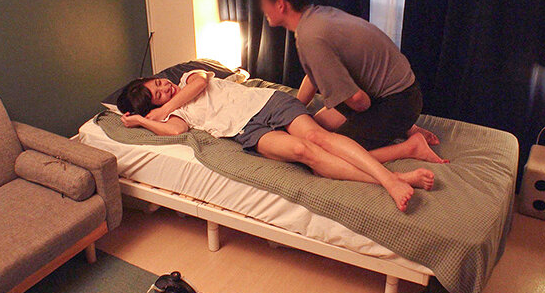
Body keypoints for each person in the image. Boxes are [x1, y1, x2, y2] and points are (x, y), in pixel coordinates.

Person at [116, 70, 447, 212]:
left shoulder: (188, 78)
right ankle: (402, 164)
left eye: (159, 83)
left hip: (268, 103)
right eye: (159, 95)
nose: (165, 89)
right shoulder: (175, 117)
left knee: (317, 137)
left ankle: (391, 179)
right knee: (306, 154)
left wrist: (164, 108)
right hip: (248, 132)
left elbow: (200, 84)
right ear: (153, 107)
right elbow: (175, 132)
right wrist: (144, 121)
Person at [254, 0, 441, 152]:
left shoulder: (310, 36)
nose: (262, 9)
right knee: (318, 122)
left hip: (398, 102)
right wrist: (293, 109)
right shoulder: (317, 16)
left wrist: (360, 109)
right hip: (400, 91)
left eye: (263, 2)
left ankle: (411, 146)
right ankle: (405, 127)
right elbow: (315, 75)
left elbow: (360, 101)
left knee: (326, 151)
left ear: (280, 5)